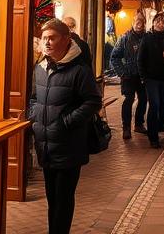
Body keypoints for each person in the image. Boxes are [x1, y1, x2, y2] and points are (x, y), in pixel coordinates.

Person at [29, 18, 102, 234]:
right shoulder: (41, 67)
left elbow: (93, 101)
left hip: (69, 144)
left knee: (63, 198)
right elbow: (33, 98)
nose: (47, 43)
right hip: (46, 144)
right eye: (44, 39)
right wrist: (34, 117)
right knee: (52, 197)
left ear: (66, 40)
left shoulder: (79, 70)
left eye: (52, 38)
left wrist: (66, 122)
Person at [137, 12, 164, 149]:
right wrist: (143, 76)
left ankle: (161, 128)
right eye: (158, 21)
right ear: (153, 22)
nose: (160, 23)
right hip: (151, 78)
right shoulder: (147, 38)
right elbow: (140, 59)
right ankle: (153, 137)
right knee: (155, 105)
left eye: (163, 21)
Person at [110, 13, 147, 140]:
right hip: (129, 76)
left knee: (143, 99)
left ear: (144, 24)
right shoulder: (124, 38)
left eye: (141, 22)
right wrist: (122, 73)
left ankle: (139, 124)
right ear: (132, 23)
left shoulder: (147, 38)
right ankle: (126, 127)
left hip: (143, 76)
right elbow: (115, 57)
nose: (138, 24)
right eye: (136, 21)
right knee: (129, 100)